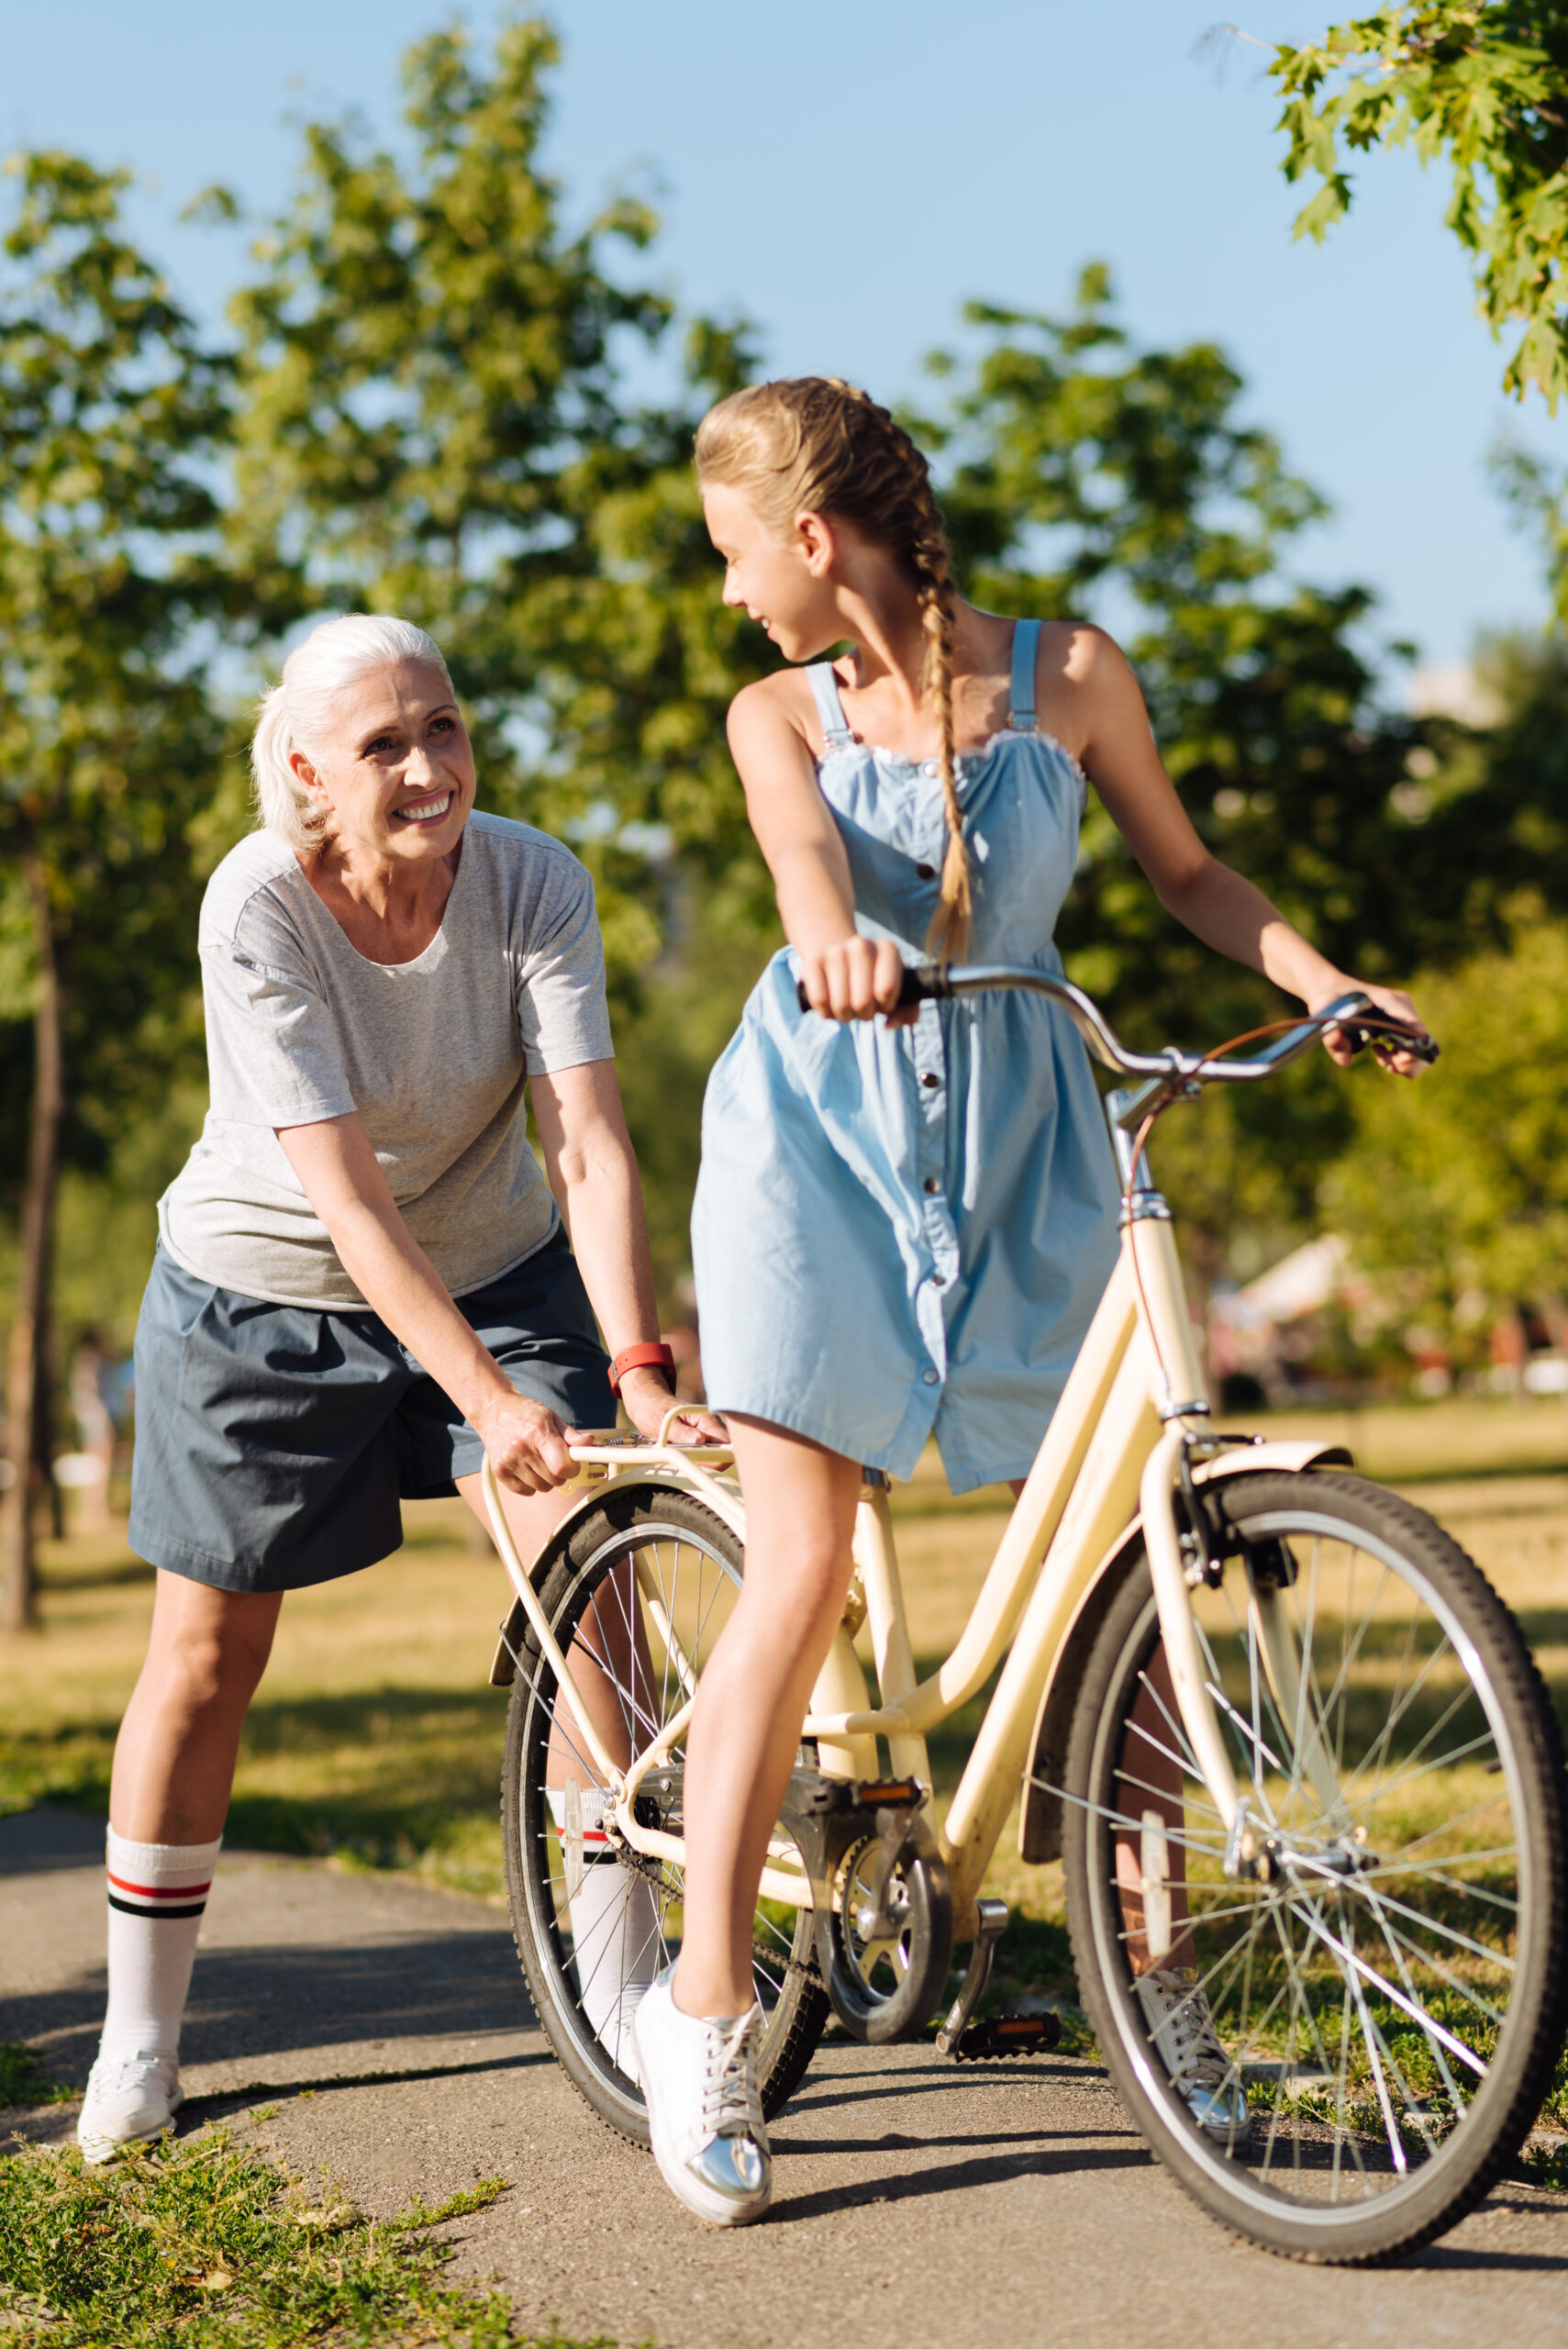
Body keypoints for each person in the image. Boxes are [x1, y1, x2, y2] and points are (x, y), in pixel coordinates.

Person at [629, 378, 1431, 2224]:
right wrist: (837, 945)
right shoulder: (777, 717)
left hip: (1025, 1130)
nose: (732, 591)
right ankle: (701, 2006)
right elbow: (807, 867)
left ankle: (1158, 1986)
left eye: (735, 554)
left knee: (1118, 1578)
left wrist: (1321, 979)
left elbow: (1192, 872)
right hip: (817, 1145)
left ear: (811, 540)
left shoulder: (1072, 677)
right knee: (802, 1557)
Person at [78, 612, 717, 2162]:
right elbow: (347, 1206)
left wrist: (631, 1366)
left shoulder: (534, 876)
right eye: (385, 745)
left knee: (598, 1598)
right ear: (305, 772)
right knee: (206, 1658)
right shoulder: (258, 906)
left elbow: (588, 1144)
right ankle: (141, 2041)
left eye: (445, 727)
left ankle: (626, 1999)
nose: (430, 767)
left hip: (496, 1255)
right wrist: (488, 1403)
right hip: (266, 1291)